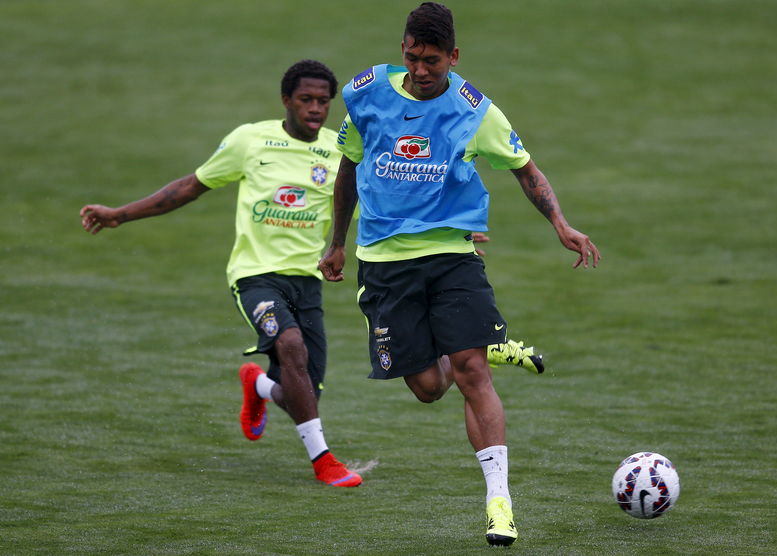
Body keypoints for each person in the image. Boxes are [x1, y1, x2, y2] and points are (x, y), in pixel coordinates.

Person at [318, 2, 600, 546]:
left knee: (471, 373)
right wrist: (336, 243)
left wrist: (561, 224)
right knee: (427, 387)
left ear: (454, 57)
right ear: (403, 49)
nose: (422, 70)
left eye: (434, 62)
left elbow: (524, 168)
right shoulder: (367, 93)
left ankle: (499, 502)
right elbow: (349, 166)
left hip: (452, 254)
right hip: (383, 263)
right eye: (413, 57)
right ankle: (474, 343)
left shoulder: (474, 109)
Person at [80, 60, 363, 487]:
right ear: (286, 100)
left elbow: (383, 194)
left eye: (323, 101)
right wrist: (120, 214)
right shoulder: (250, 140)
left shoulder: (337, 151)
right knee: (291, 346)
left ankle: (258, 385)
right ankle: (324, 462)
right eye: (306, 99)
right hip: (255, 278)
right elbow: (190, 186)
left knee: (304, 392)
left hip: (307, 282)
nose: (316, 109)